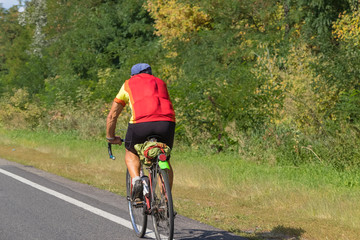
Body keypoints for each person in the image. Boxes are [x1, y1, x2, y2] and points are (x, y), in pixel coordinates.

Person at [106, 63, 176, 201]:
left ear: (133, 75)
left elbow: (112, 115)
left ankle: (137, 180)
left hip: (141, 124)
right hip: (167, 123)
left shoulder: (129, 84)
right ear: (150, 73)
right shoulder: (160, 82)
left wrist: (110, 137)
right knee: (164, 156)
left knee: (131, 151)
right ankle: (166, 201)